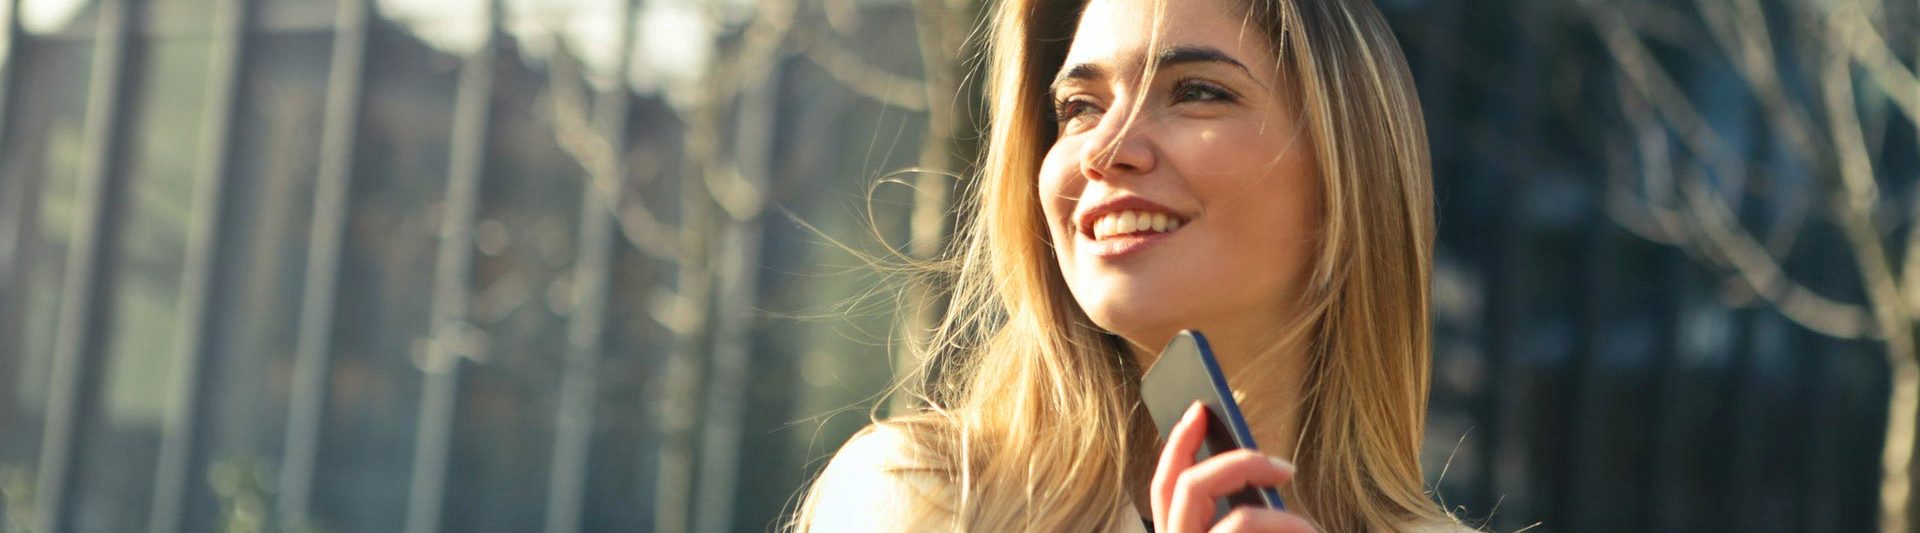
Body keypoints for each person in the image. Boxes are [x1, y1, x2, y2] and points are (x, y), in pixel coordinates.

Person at [791, 0, 1474, 530]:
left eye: (1196, 91)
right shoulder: (925, 499)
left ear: (1344, 174)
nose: (1104, 150)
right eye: (1079, 107)